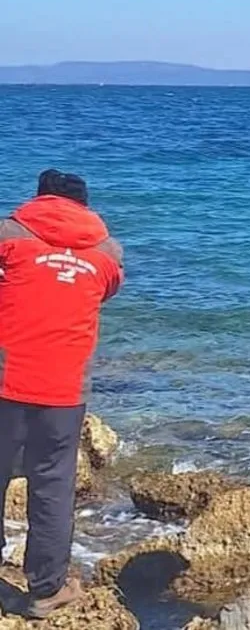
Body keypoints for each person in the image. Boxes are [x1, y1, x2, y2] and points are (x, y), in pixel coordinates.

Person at [0, 170, 124, 618]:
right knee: (52, 487)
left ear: (40, 198)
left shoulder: (9, 233)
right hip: (64, 389)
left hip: (6, 379)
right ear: (85, 206)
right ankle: (46, 589)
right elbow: (104, 290)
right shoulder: (107, 253)